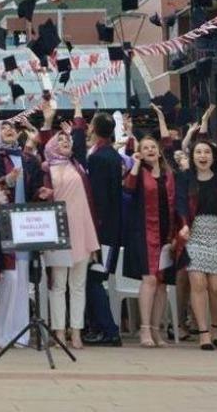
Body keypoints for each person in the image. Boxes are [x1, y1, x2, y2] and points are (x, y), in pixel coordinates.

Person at [38, 124, 100, 350]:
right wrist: (46, 194)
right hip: (58, 233)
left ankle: (76, 331)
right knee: (58, 286)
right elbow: (40, 197)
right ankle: (59, 332)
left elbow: (88, 202)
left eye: (68, 141)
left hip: (82, 231)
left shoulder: (78, 166)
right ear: (52, 145)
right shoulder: (46, 170)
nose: (65, 143)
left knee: (78, 285)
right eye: (60, 141)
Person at [0, 114, 42, 348]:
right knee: (10, 278)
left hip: (25, 225)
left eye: (11, 127)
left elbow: (35, 186)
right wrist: (7, 180)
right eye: (4, 127)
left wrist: (41, 193)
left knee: (23, 278)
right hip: (5, 223)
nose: (9, 129)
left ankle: (21, 333)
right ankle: (2, 333)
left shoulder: (26, 158)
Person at [175, 140, 217, 350]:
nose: (203, 156)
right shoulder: (185, 178)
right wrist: (183, 225)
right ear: (192, 157)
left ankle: (216, 327)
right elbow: (180, 203)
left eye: (207, 152)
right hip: (194, 233)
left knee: (216, 287)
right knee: (198, 284)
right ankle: (203, 333)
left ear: (213, 156)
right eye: (198, 152)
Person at [122, 135, 178, 348]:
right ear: (140, 152)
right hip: (144, 233)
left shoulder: (168, 174)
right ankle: (144, 328)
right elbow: (127, 190)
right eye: (145, 148)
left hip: (166, 234)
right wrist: (136, 163)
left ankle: (156, 330)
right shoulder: (138, 172)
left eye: (153, 147)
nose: (150, 150)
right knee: (150, 280)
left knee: (162, 284)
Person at [83, 112, 124, 346]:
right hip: (111, 228)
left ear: (95, 129)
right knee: (95, 278)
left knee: (94, 279)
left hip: (103, 231)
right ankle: (99, 327)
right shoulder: (112, 155)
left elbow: (99, 198)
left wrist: (94, 236)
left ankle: (108, 330)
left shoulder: (99, 158)